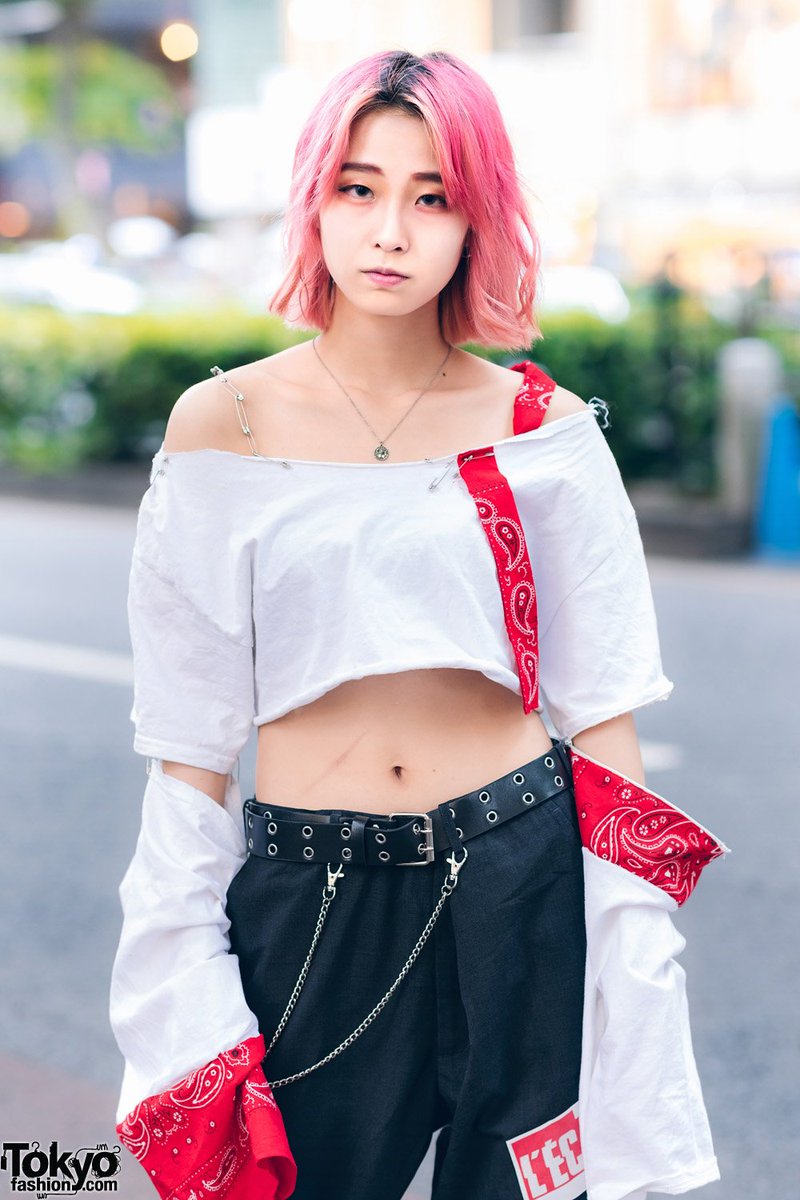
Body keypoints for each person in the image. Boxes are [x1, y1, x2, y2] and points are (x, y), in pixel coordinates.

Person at [109, 49, 729, 1200]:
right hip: (315, 895)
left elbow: (601, 719)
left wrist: (636, 963)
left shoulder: (537, 429)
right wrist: (176, 992)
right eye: (358, 186)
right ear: (314, 199)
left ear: (472, 219)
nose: (388, 228)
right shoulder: (222, 426)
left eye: (430, 195)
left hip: (517, 875)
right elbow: (190, 751)